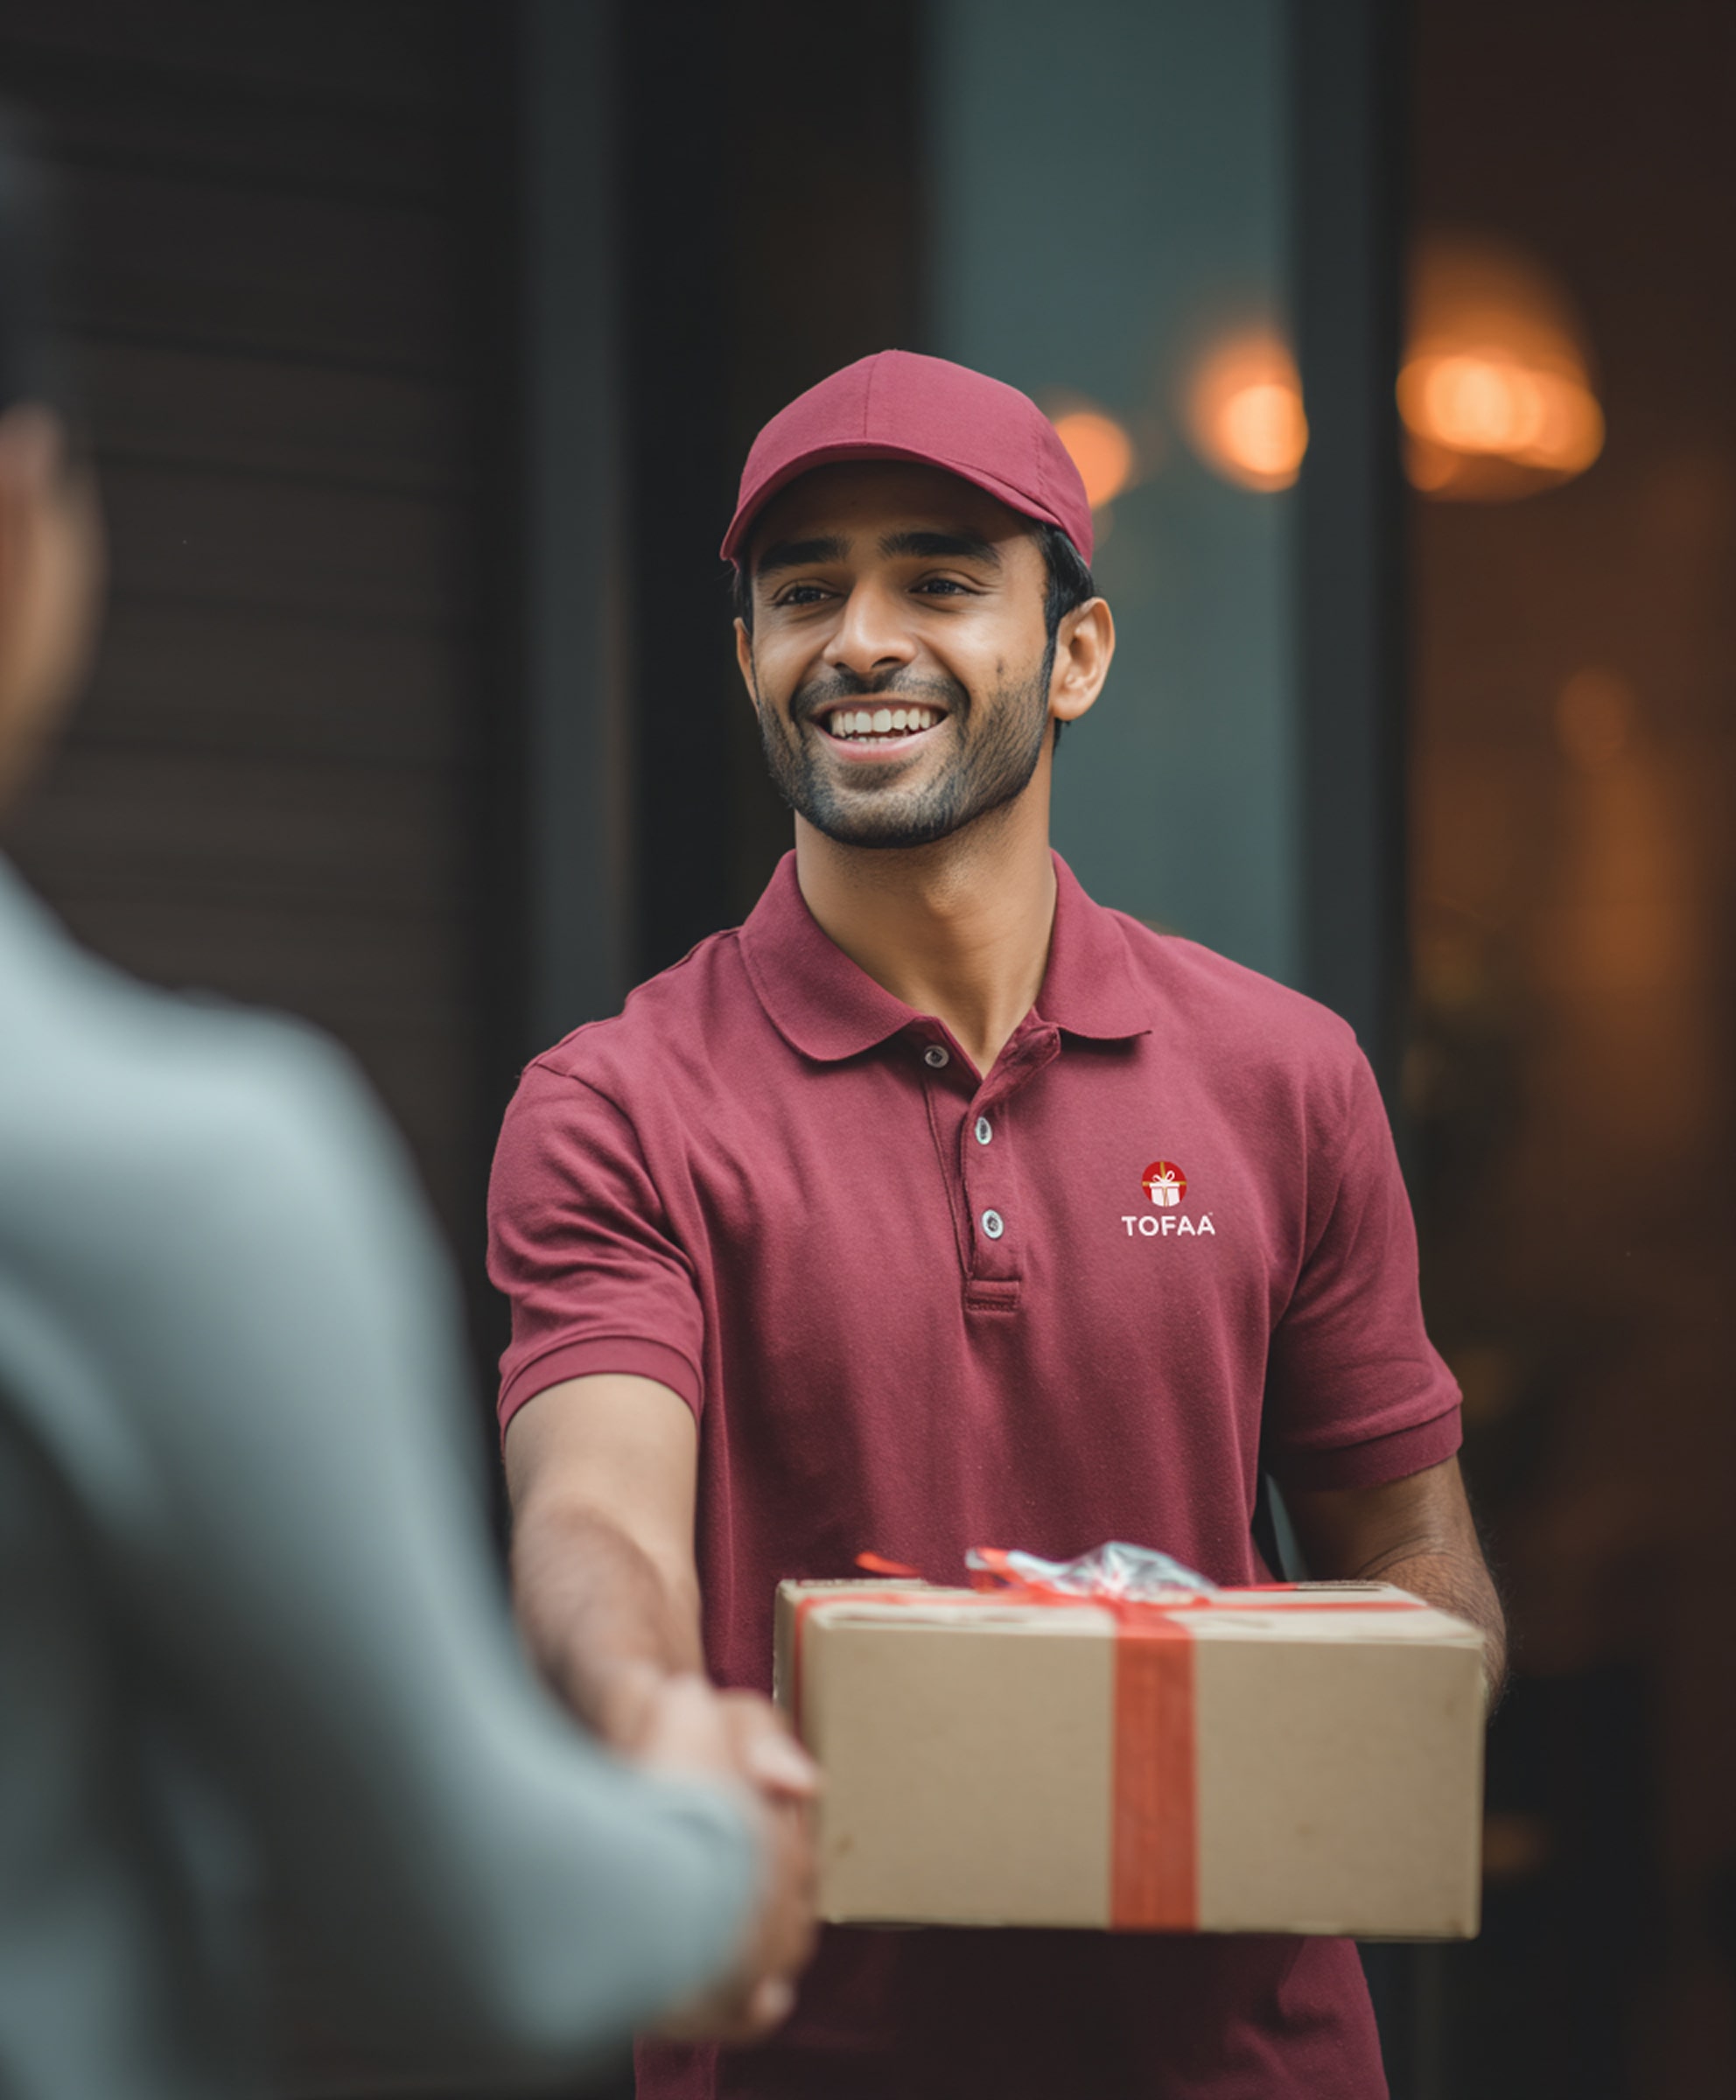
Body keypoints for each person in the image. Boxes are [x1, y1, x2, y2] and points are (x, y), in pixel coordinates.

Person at [489, 349, 1508, 2099]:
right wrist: (648, 1709)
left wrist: (1388, 1717)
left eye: (939, 581)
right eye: (803, 594)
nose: (860, 640)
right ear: (746, 659)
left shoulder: (1285, 1078)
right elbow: (599, 1526)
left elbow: (1409, 1548)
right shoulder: (619, 1105)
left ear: (1075, 651)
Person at [0, 122, 815, 2099]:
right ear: (21, 511)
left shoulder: (1270, 1069)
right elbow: (491, 1932)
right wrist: (731, 1844)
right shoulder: (177, 1173)